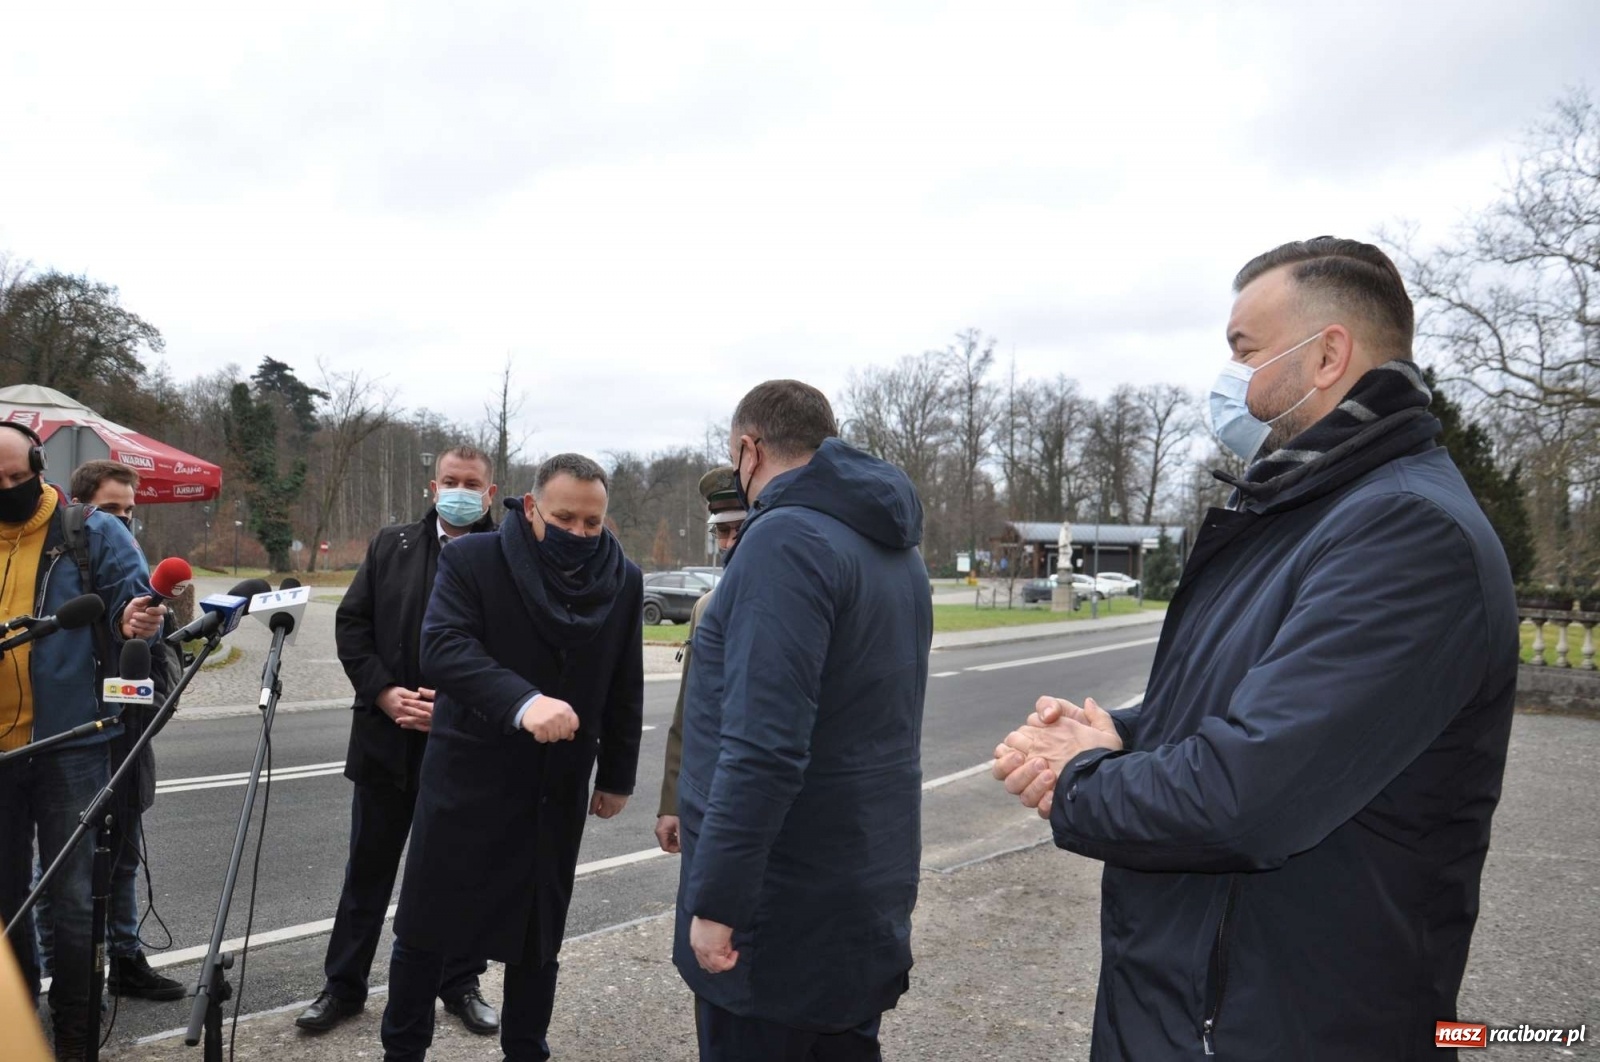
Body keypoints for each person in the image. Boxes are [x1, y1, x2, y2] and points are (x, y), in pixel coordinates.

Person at [991, 237, 1519, 1060]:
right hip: (1198, 1005)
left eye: (1244, 350)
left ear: (1327, 356)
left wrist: (1080, 777)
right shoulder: (1306, 514)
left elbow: (1247, 798)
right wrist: (1125, 731)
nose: (1229, 376)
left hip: (1279, 1023)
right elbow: (1252, 707)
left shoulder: (1407, 533)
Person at [674, 380, 932, 1061]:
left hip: (779, 908)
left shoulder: (783, 540)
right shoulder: (895, 550)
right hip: (861, 882)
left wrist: (718, 902)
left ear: (747, 450)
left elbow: (763, 745)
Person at [381, 453, 643, 1062]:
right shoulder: (475, 558)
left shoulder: (623, 578)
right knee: (425, 930)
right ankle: (402, 1051)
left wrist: (618, 775)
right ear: (530, 508)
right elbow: (443, 647)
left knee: (537, 936)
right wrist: (522, 702)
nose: (579, 533)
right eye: (565, 518)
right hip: (468, 777)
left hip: (556, 786)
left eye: (592, 523)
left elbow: (624, 684)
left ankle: (527, 1049)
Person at [296, 446, 501, 1037]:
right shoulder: (393, 545)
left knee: (460, 874)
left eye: (473, 483)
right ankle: (343, 986)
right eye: (450, 480)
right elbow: (353, 625)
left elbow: (512, 653)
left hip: (463, 745)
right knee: (367, 872)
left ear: (490, 494)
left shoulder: (508, 556)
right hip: (387, 741)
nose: (460, 490)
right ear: (433, 486)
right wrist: (385, 693)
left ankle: (459, 982)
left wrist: (461, 710)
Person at [0, 423, 162, 1060]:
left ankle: (74, 1035)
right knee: (5, 900)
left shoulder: (92, 532)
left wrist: (137, 619)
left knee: (71, 898)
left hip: (70, 743)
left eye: (19, 477)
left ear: (39, 465)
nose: (10, 490)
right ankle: (16, 1029)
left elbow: (137, 611)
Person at [32, 461, 187, 1002]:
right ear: (82, 509)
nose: (123, 522)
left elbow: (159, 650)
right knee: (62, 867)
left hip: (129, 730)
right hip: (75, 735)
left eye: (130, 511)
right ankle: (62, 976)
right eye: (112, 510)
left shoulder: (135, 572)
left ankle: (124, 956)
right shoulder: (57, 569)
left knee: (121, 853)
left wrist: (152, 704)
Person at [654, 465, 745, 856]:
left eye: (738, 529)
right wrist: (672, 802)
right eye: (721, 532)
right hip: (706, 802)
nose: (728, 543)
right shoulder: (706, 607)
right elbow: (687, 711)